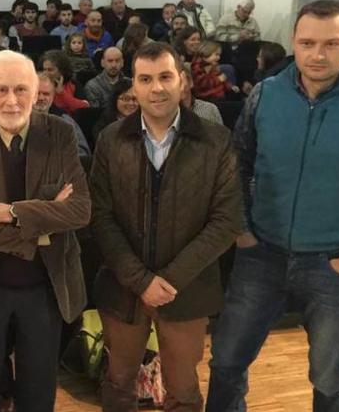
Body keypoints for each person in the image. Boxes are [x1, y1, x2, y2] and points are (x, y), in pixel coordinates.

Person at [206, 0, 339, 412]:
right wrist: (242, 230)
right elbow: (236, 165)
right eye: (307, 43)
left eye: (331, 43)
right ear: (294, 44)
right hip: (260, 255)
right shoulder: (265, 95)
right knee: (227, 362)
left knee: (331, 380)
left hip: (332, 264)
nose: (318, 54)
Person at [90, 41, 241, 411]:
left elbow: (226, 220)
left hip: (186, 290)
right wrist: (141, 280)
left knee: (183, 392)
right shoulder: (111, 139)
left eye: (165, 77)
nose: (156, 87)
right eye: (145, 79)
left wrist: (169, 280)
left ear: (183, 81)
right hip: (124, 288)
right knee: (118, 383)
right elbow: (100, 215)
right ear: (134, 86)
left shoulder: (216, 140)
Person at [0, 50, 90, 411]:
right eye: (2, 90)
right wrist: (43, 224)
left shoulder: (60, 134)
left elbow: (79, 210)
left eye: (22, 90)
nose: (12, 101)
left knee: (38, 394)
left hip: (45, 286)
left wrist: (12, 213)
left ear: (39, 90)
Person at [33, 72, 91, 158]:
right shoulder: (16, 119)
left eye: (46, 94)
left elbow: (82, 154)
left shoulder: (65, 121)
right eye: (37, 93)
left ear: (53, 95)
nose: (41, 98)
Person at [41, 50, 89, 115]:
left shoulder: (73, 84)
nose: (45, 73)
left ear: (61, 71)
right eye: (44, 69)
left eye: (50, 70)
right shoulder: (37, 84)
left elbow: (85, 107)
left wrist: (62, 93)